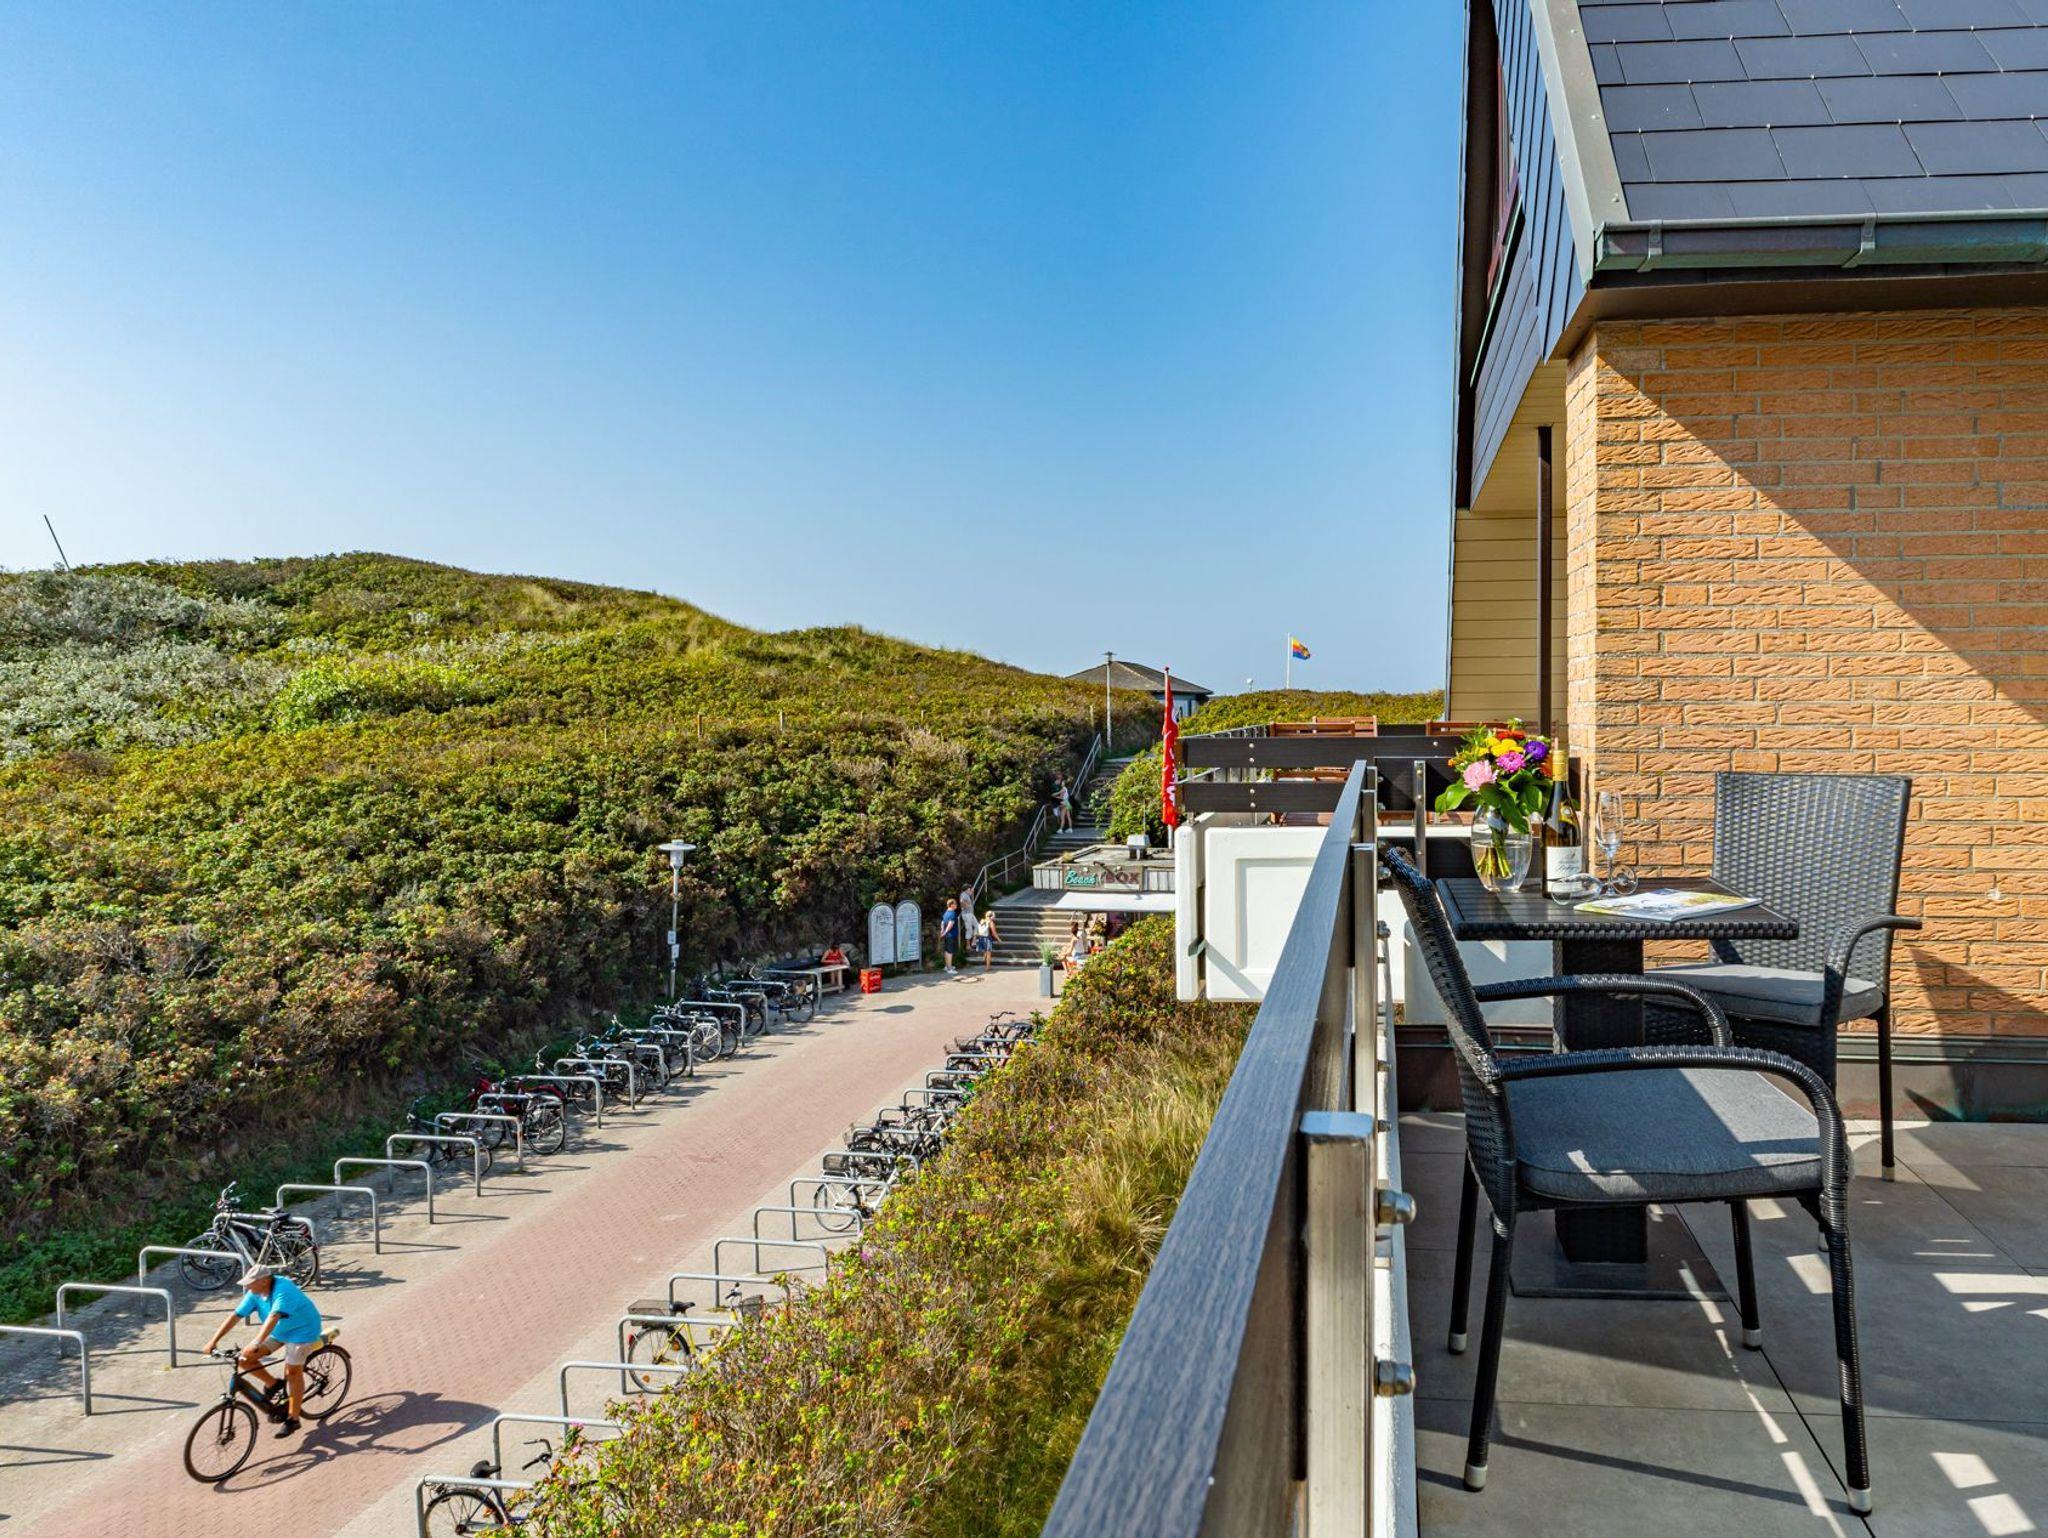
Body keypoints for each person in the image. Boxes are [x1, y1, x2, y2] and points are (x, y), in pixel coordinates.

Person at [202, 1264, 324, 1436]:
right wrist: (213, 1341)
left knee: (293, 1372)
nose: (247, 1287)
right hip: (279, 1331)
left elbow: (274, 1316)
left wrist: (256, 1342)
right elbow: (236, 1316)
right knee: (245, 1359)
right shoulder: (255, 1292)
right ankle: (274, 1384)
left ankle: (293, 1419)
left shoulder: (284, 1289)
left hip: (302, 1331)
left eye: (250, 1283)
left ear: (264, 1281)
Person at [939, 900, 963, 974]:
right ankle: (949, 969)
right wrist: (945, 932)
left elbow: (942, 922)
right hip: (951, 935)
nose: (956, 905)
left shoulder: (946, 913)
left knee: (947, 951)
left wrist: (942, 931)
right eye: (955, 904)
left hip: (947, 935)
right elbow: (951, 924)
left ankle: (947, 966)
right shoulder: (953, 913)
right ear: (951, 905)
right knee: (950, 952)